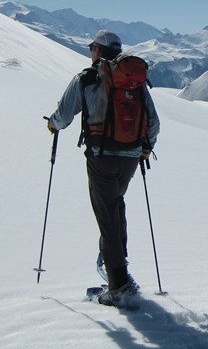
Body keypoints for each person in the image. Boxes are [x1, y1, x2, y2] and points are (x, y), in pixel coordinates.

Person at [47, 29, 160, 305]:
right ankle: (119, 269)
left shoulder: (87, 78)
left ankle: (119, 284)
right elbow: (154, 123)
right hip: (131, 159)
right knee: (115, 206)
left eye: (91, 48)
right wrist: (145, 148)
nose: (90, 53)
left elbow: (63, 115)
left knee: (107, 216)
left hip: (101, 157)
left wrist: (52, 124)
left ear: (97, 50)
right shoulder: (135, 83)